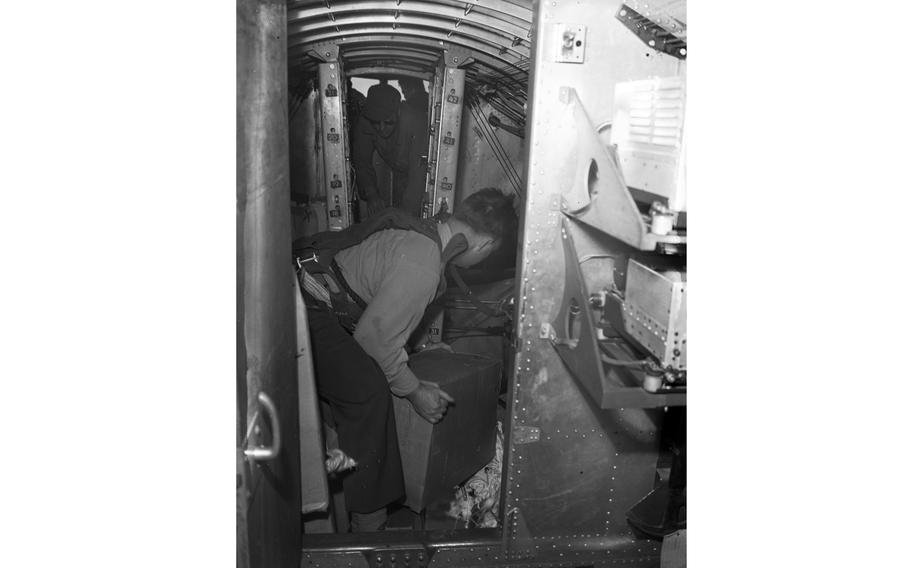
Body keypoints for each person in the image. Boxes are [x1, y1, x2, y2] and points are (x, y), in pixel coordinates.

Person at [296, 188, 518, 532]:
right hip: (305, 305)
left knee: (361, 378)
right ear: (486, 245)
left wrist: (414, 354)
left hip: (310, 299)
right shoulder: (424, 263)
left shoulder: (424, 236)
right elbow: (371, 341)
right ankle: (369, 523)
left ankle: (339, 484)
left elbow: (378, 315)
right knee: (367, 391)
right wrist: (415, 392)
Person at [351, 82, 429, 219]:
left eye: (388, 122)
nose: (381, 128)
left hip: (415, 170)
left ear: (398, 112)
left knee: (408, 216)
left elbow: (418, 174)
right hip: (396, 167)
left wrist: (407, 217)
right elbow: (361, 161)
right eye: (376, 122)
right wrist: (371, 194)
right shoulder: (365, 120)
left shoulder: (416, 121)